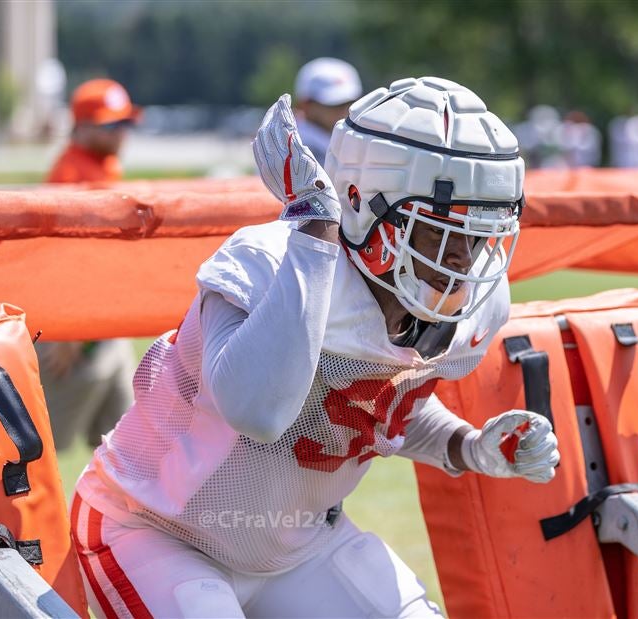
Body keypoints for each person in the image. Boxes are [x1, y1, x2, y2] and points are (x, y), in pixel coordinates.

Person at [69, 77, 559, 618]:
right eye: (443, 230)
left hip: (297, 549)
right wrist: (315, 231)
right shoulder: (270, 263)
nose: (465, 258)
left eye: (481, 230)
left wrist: (469, 447)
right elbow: (258, 410)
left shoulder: (464, 303)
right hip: (153, 529)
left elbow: (376, 407)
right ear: (361, 205)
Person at [38, 78, 140, 452]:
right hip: (75, 336)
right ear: (81, 126)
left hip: (106, 328)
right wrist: (67, 329)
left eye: (124, 123)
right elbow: (59, 257)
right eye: (110, 124)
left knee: (129, 448)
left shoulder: (103, 166)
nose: (121, 133)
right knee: (40, 454)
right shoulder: (70, 176)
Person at [293, 57, 362, 165]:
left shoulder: (353, 142)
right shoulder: (293, 151)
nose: (346, 110)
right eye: (335, 104)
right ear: (305, 105)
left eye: (350, 103)